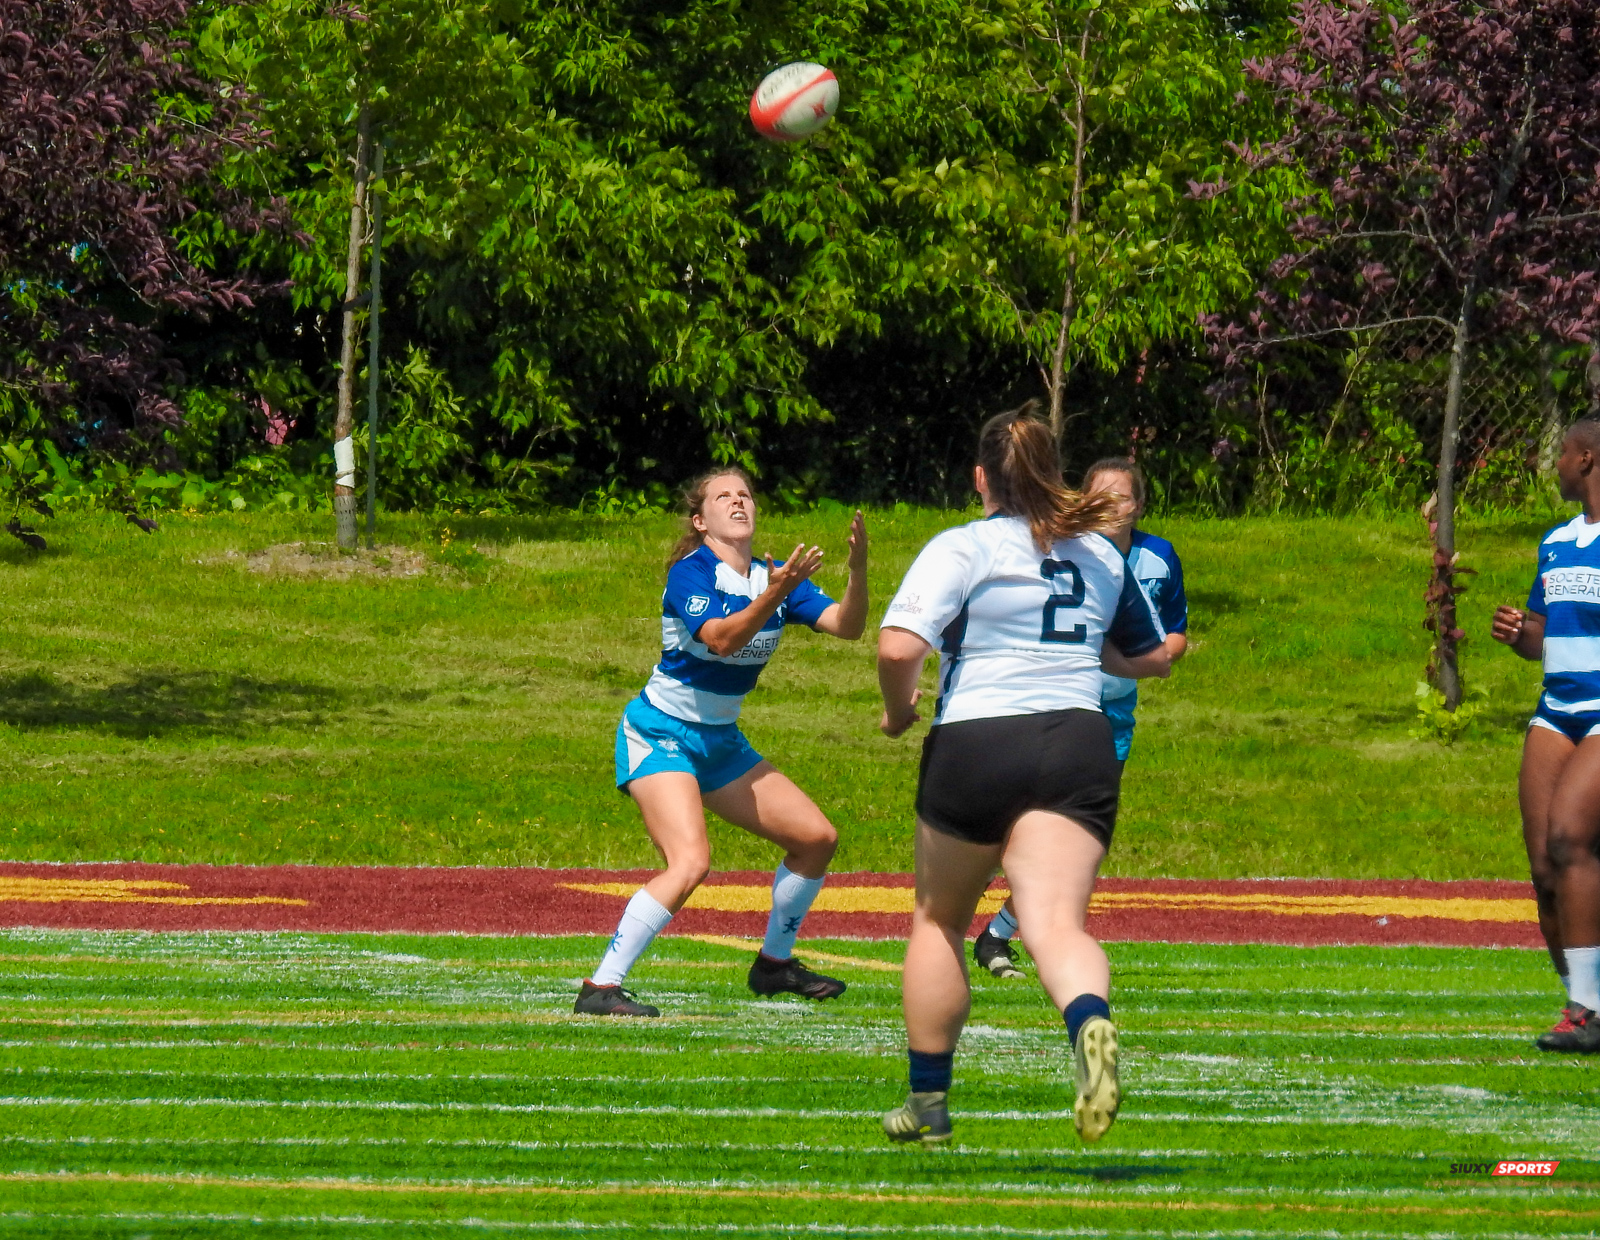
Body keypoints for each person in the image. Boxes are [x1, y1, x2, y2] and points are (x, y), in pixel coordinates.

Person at [875, 405, 1171, 1144]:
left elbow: (898, 647)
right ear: (1054, 473)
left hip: (978, 737)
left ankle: (929, 1104)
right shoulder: (1102, 554)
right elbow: (1145, 656)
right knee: (1054, 924)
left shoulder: (963, 546)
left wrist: (898, 710)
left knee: (940, 921)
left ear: (980, 477)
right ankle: (1089, 1022)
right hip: (1077, 740)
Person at [575, 469, 869, 1017]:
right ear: (700, 520)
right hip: (660, 732)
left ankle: (773, 965)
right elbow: (722, 639)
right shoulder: (691, 573)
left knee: (816, 839)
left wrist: (858, 572)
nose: (738, 501)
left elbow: (848, 626)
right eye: (723, 496)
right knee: (689, 862)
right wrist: (777, 592)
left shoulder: (770, 575)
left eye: (745, 495)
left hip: (720, 741)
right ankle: (600, 988)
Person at [973, 458, 1189, 979]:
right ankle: (975, 892)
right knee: (1031, 823)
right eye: (1100, 496)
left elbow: (1175, 632)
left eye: (1122, 497)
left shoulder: (1158, 557)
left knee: (1078, 838)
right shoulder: (1065, 549)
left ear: (1139, 505)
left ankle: (1000, 933)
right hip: (1057, 704)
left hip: (1113, 712)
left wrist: (1149, 658)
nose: (1111, 507)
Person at [1492, 416, 1600, 1052]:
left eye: (1561, 452)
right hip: (1556, 709)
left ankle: (1588, 1011)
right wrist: (1519, 634)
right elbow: (1542, 636)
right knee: (1542, 866)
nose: (1554, 463)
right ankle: (1580, 1000)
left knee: (1569, 839)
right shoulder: (1556, 541)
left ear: (1586, 459)